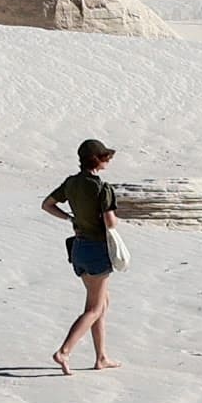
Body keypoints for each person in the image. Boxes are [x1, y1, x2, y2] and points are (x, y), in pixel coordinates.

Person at [41, 137, 120, 372]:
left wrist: (71, 218)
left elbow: (47, 204)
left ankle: (101, 357)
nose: (108, 160)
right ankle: (64, 352)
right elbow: (110, 223)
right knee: (94, 308)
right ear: (97, 159)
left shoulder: (71, 183)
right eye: (105, 156)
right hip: (97, 249)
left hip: (78, 249)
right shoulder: (102, 188)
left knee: (101, 303)